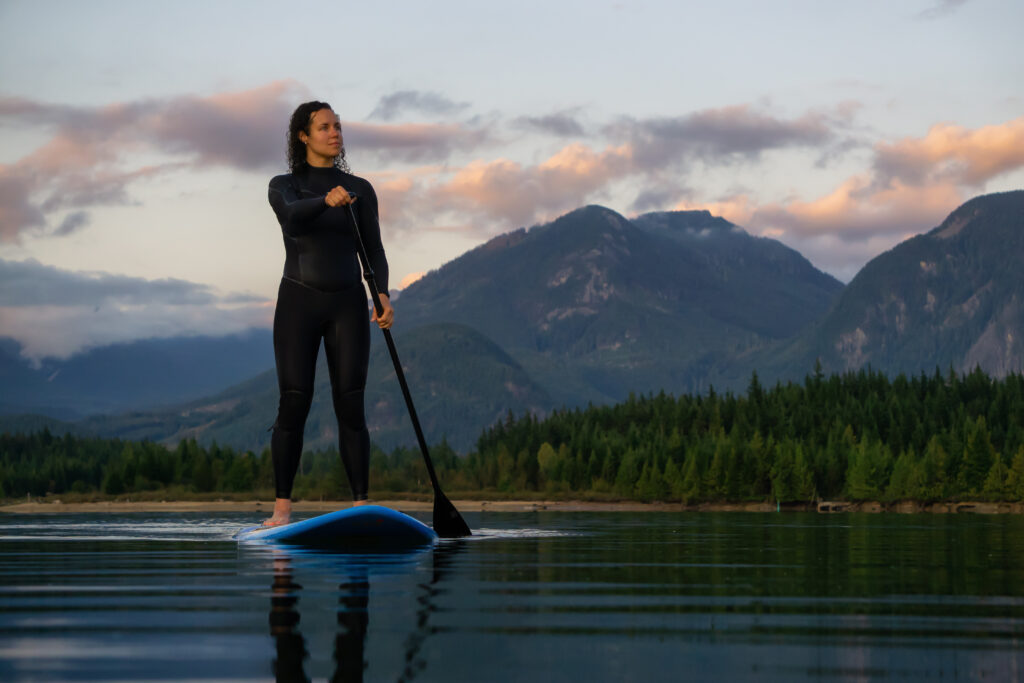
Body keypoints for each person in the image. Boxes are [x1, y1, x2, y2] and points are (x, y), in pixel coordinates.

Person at [263, 100, 394, 526]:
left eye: (338, 126)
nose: (335, 133)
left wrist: (382, 294)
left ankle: (361, 507)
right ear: (303, 136)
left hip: (348, 305)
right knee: (294, 403)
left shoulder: (360, 189)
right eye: (324, 127)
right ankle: (282, 510)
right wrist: (325, 200)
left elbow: (372, 249)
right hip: (298, 303)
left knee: (351, 406)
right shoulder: (284, 184)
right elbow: (291, 219)